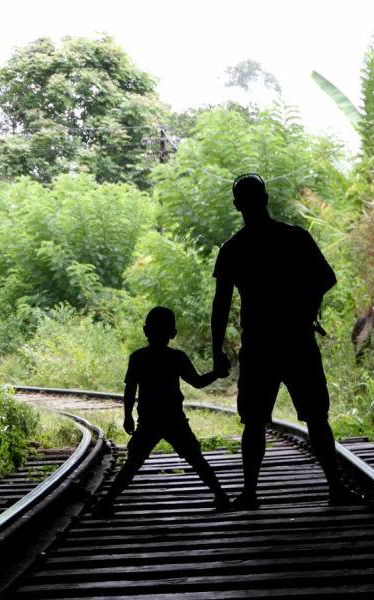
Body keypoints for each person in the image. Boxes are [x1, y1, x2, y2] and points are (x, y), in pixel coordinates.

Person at [211, 173, 356, 509]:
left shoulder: (233, 249)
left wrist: (217, 350)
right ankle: (335, 489)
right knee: (316, 418)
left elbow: (220, 305)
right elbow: (326, 278)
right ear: (266, 198)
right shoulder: (294, 237)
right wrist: (303, 306)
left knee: (253, 422)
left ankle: (249, 493)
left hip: (259, 346)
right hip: (297, 339)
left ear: (237, 205)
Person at [94, 306, 230, 515]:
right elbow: (197, 382)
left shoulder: (138, 357)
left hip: (149, 419)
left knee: (133, 462)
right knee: (195, 458)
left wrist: (128, 416)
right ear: (173, 334)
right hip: (174, 418)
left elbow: (130, 389)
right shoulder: (177, 357)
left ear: (145, 331)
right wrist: (217, 373)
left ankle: (107, 502)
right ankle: (220, 495)